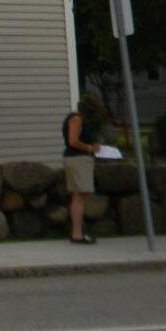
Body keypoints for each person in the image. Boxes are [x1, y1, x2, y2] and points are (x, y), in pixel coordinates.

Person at [64, 97, 103, 244]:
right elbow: (73, 141)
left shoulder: (74, 118)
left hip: (74, 159)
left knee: (77, 197)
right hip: (79, 159)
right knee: (81, 196)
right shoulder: (76, 119)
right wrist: (89, 148)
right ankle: (77, 234)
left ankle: (77, 233)